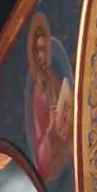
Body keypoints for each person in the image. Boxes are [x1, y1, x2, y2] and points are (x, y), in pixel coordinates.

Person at [26, 13, 72, 181]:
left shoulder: (52, 76)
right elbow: (41, 141)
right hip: (53, 149)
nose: (42, 55)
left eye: (44, 49)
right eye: (39, 50)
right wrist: (51, 127)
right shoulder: (38, 91)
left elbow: (65, 102)